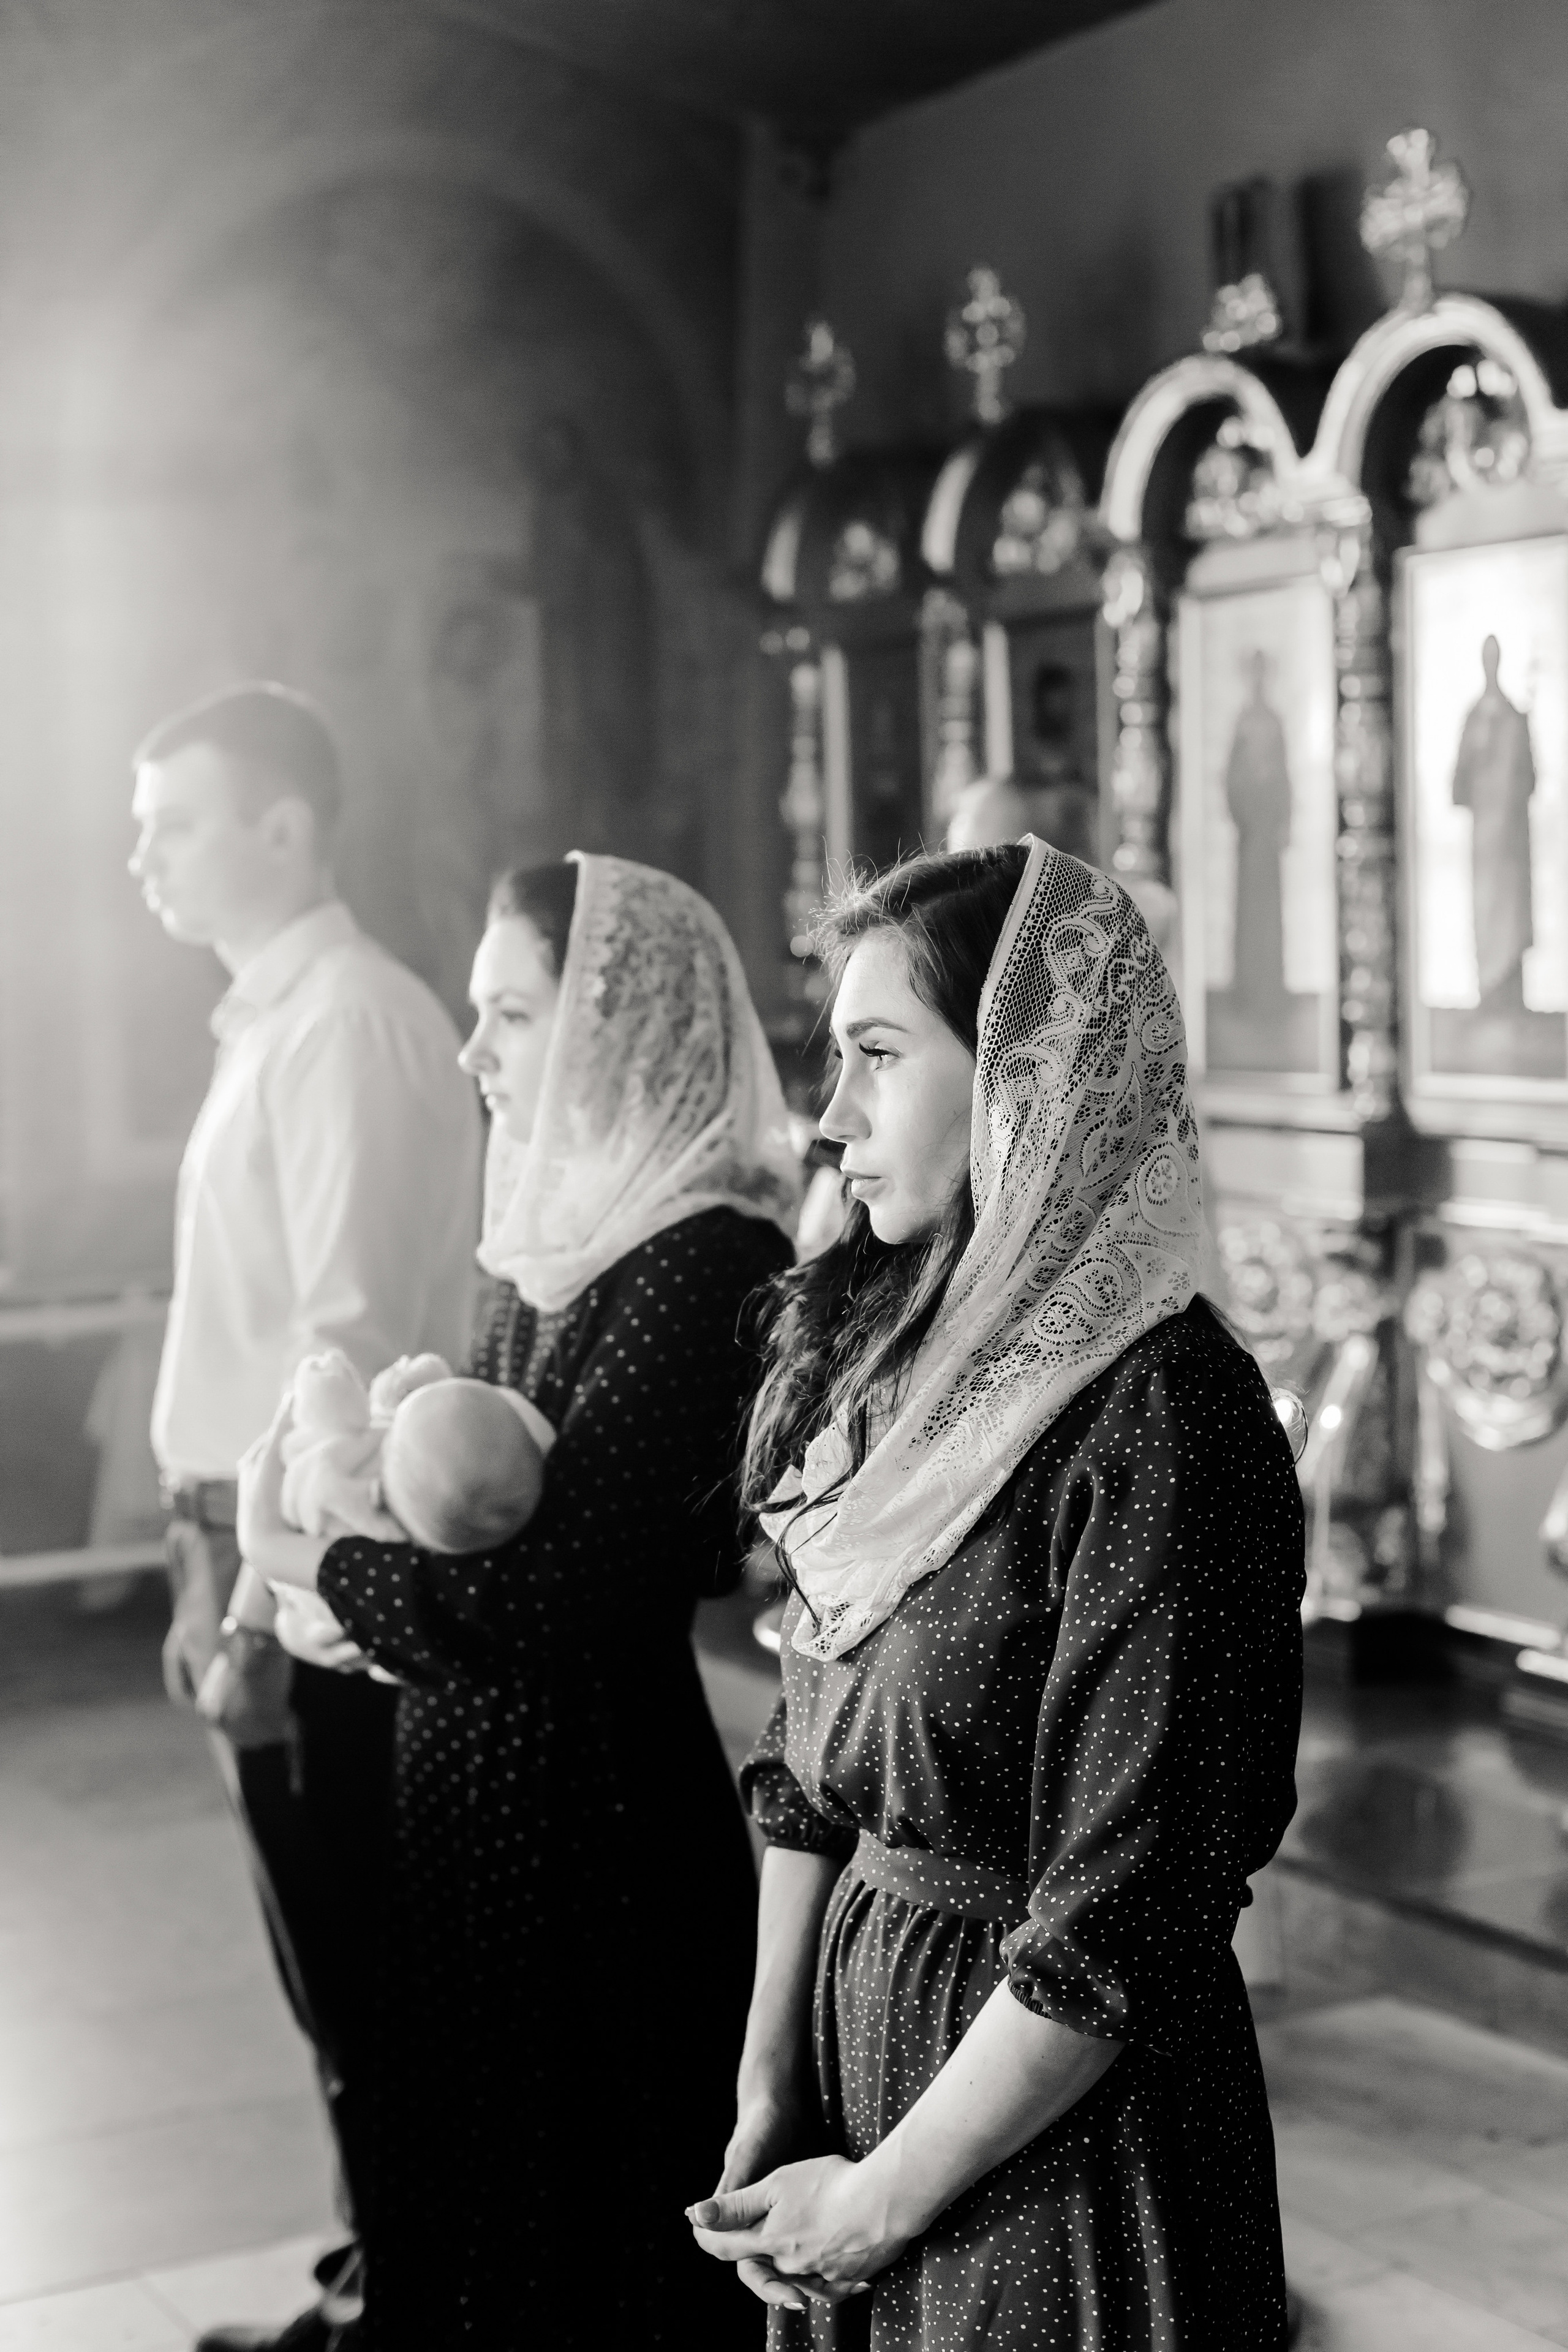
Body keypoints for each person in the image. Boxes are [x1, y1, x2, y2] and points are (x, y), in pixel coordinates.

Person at [690, 840, 1306, 2348]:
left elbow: (1129, 1904)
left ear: (1021, 1077)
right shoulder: (900, 1355)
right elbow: (803, 1767)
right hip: (858, 2067)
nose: (830, 1120)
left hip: (1057, 2145)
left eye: (877, 1056)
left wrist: (886, 2193)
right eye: (830, 1060)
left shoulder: (1162, 1410)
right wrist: (772, 2074)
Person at [236, 853, 801, 2350]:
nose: (474, 1049)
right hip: (469, 1785)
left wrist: (321, 1566)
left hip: (593, 1808)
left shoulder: (705, 1254)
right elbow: (462, 1521)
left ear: (616, 1022)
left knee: (602, 2212)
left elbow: (555, 1596)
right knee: (492, 2188)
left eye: (509, 1011)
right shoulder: (552, 1243)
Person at [131, 682, 480, 2352]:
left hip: (315, 1567)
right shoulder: (272, 1021)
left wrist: (262, 1603)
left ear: (287, 826)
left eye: (175, 819)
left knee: (362, 1946)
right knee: (318, 1944)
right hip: (244, 1544)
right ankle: (382, 2263)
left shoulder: (349, 1019)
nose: (143, 856)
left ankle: (410, 2298)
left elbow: (340, 1343)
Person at [1452, 631, 1536, 1014]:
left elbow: (1530, 778)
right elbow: (1460, 782)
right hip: (1485, 842)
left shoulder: (1514, 718)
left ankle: (1507, 996)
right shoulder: (1475, 719)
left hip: (1510, 843)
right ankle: (1487, 992)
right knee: (1486, 911)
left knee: (1510, 915)